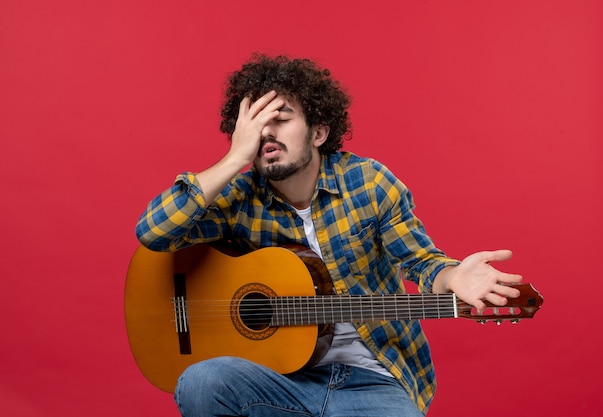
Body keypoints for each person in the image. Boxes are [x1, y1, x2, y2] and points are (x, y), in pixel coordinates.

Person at [135, 54, 522, 417]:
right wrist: (235, 158)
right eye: (253, 124)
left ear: (319, 132)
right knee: (202, 381)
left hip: (374, 381)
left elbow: (420, 261)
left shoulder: (368, 183)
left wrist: (454, 276)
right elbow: (153, 232)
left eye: (280, 119)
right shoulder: (238, 199)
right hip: (280, 381)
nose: (266, 132)